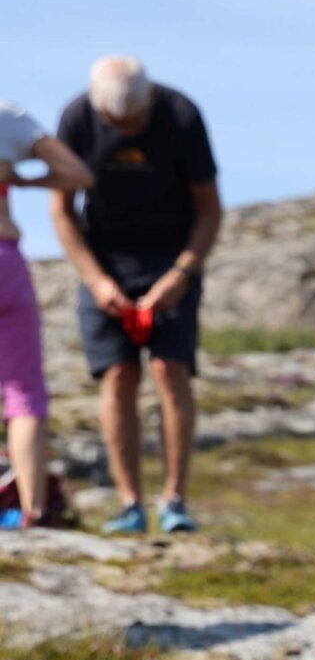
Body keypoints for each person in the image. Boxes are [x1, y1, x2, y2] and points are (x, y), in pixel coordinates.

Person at [52, 56, 220, 535]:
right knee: (118, 376)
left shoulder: (181, 115)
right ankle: (129, 503)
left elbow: (210, 210)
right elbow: (62, 211)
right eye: (115, 122)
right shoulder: (77, 118)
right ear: (98, 110)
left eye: (135, 120)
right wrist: (96, 280)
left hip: (171, 257)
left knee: (170, 370)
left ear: (150, 99)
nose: (127, 128)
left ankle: (175, 501)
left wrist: (182, 274)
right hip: (105, 261)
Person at [0, 98, 92, 528]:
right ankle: (33, 510)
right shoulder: (7, 116)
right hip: (5, 260)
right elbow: (77, 174)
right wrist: (20, 180)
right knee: (23, 391)